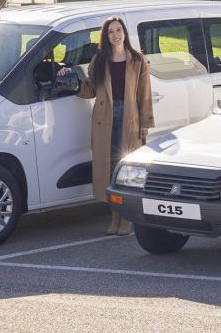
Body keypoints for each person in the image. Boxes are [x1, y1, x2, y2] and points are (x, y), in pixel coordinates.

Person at [64, 16, 154, 235]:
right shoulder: (99, 60)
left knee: (127, 168)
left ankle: (127, 220)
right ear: (106, 36)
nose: (116, 35)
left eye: (119, 30)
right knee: (110, 170)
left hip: (129, 118)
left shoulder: (137, 60)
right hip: (105, 119)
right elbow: (90, 90)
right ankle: (115, 218)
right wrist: (70, 79)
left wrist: (145, 123)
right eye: (111, 32)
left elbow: (145, 94)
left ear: (125, 32)